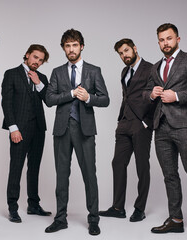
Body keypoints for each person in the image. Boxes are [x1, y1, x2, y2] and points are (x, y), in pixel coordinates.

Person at [147, 23, 187, 239]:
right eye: (161, 40)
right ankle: (176, 219)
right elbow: (146, 92)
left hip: (184, 125)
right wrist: (151, 94)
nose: (165, 43)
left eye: (169, 38)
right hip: (161, 126)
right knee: (169, 175)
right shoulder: (155, 66)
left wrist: (176, 96)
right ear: (158, 42)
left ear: (178, 39)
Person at [44, 29, 109, 236]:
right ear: (63, 48)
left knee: (90, 175)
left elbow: (105, 99)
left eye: (74, 45)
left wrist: (88, 97)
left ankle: (93, 220)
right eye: (67, 46)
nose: (71, 49)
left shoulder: (94, 71)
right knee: (62, 176)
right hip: (62, 130)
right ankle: (60, 218)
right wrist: (71, 93)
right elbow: (49, 99)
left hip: (85, 129)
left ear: (81, 46)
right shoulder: (57, 72)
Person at [99, 39, 154, 222]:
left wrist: (147, 121)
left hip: (141, 124)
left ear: (135, 48)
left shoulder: (151, 68)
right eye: (121, 53)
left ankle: (140, 208)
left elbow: (156, 96)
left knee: (141, 166)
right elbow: (127, 96)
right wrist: (121, 118)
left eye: (126, 51)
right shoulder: (124, 71)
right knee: (118, 163)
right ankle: (118, 207)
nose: (124, 55)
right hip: (124, 123)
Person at [1, 44, 51, 223]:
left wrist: (38, 83)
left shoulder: (42, 77)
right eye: (35, 57)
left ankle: (33, 204)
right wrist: (13, 128)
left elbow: (49, 100)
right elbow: (6, 103)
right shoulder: (11, 74)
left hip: (39, 129)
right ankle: (12, 208)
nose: (37, 61)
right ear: (28, 55)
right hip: (19, 129)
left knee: (34, 167)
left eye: (41, 60)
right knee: (16, 167)